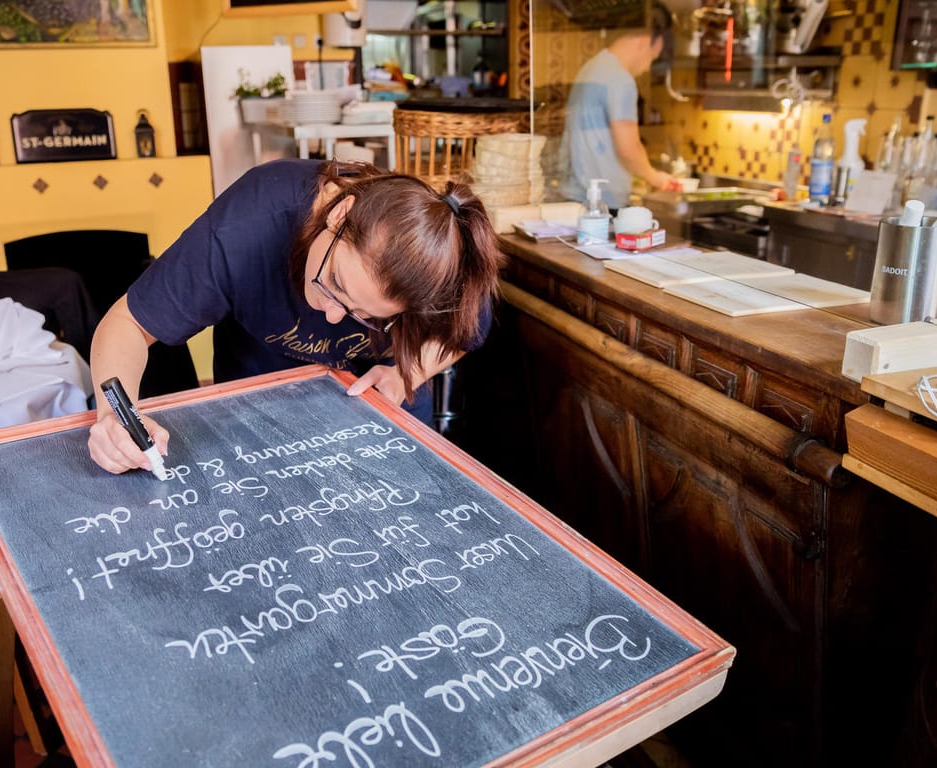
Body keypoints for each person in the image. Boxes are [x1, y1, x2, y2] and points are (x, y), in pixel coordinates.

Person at [87, 158, 504, 475]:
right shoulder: (247, 227)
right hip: (256, 418)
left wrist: (406, 374)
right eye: (335, 284)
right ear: (339, 215)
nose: (334, 315)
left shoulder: (441, 263)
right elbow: (128, 324)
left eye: (368, 315)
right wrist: (114, 418)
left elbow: (463, 334)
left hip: (376, 418)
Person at [560, 4, 684, 210]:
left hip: (577, 195)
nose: (647, 68)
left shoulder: (592, 67)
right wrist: (656, 178)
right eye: (652, 58)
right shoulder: (620, 80)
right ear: (644, 40)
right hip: (603, 203)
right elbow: (628, 147)